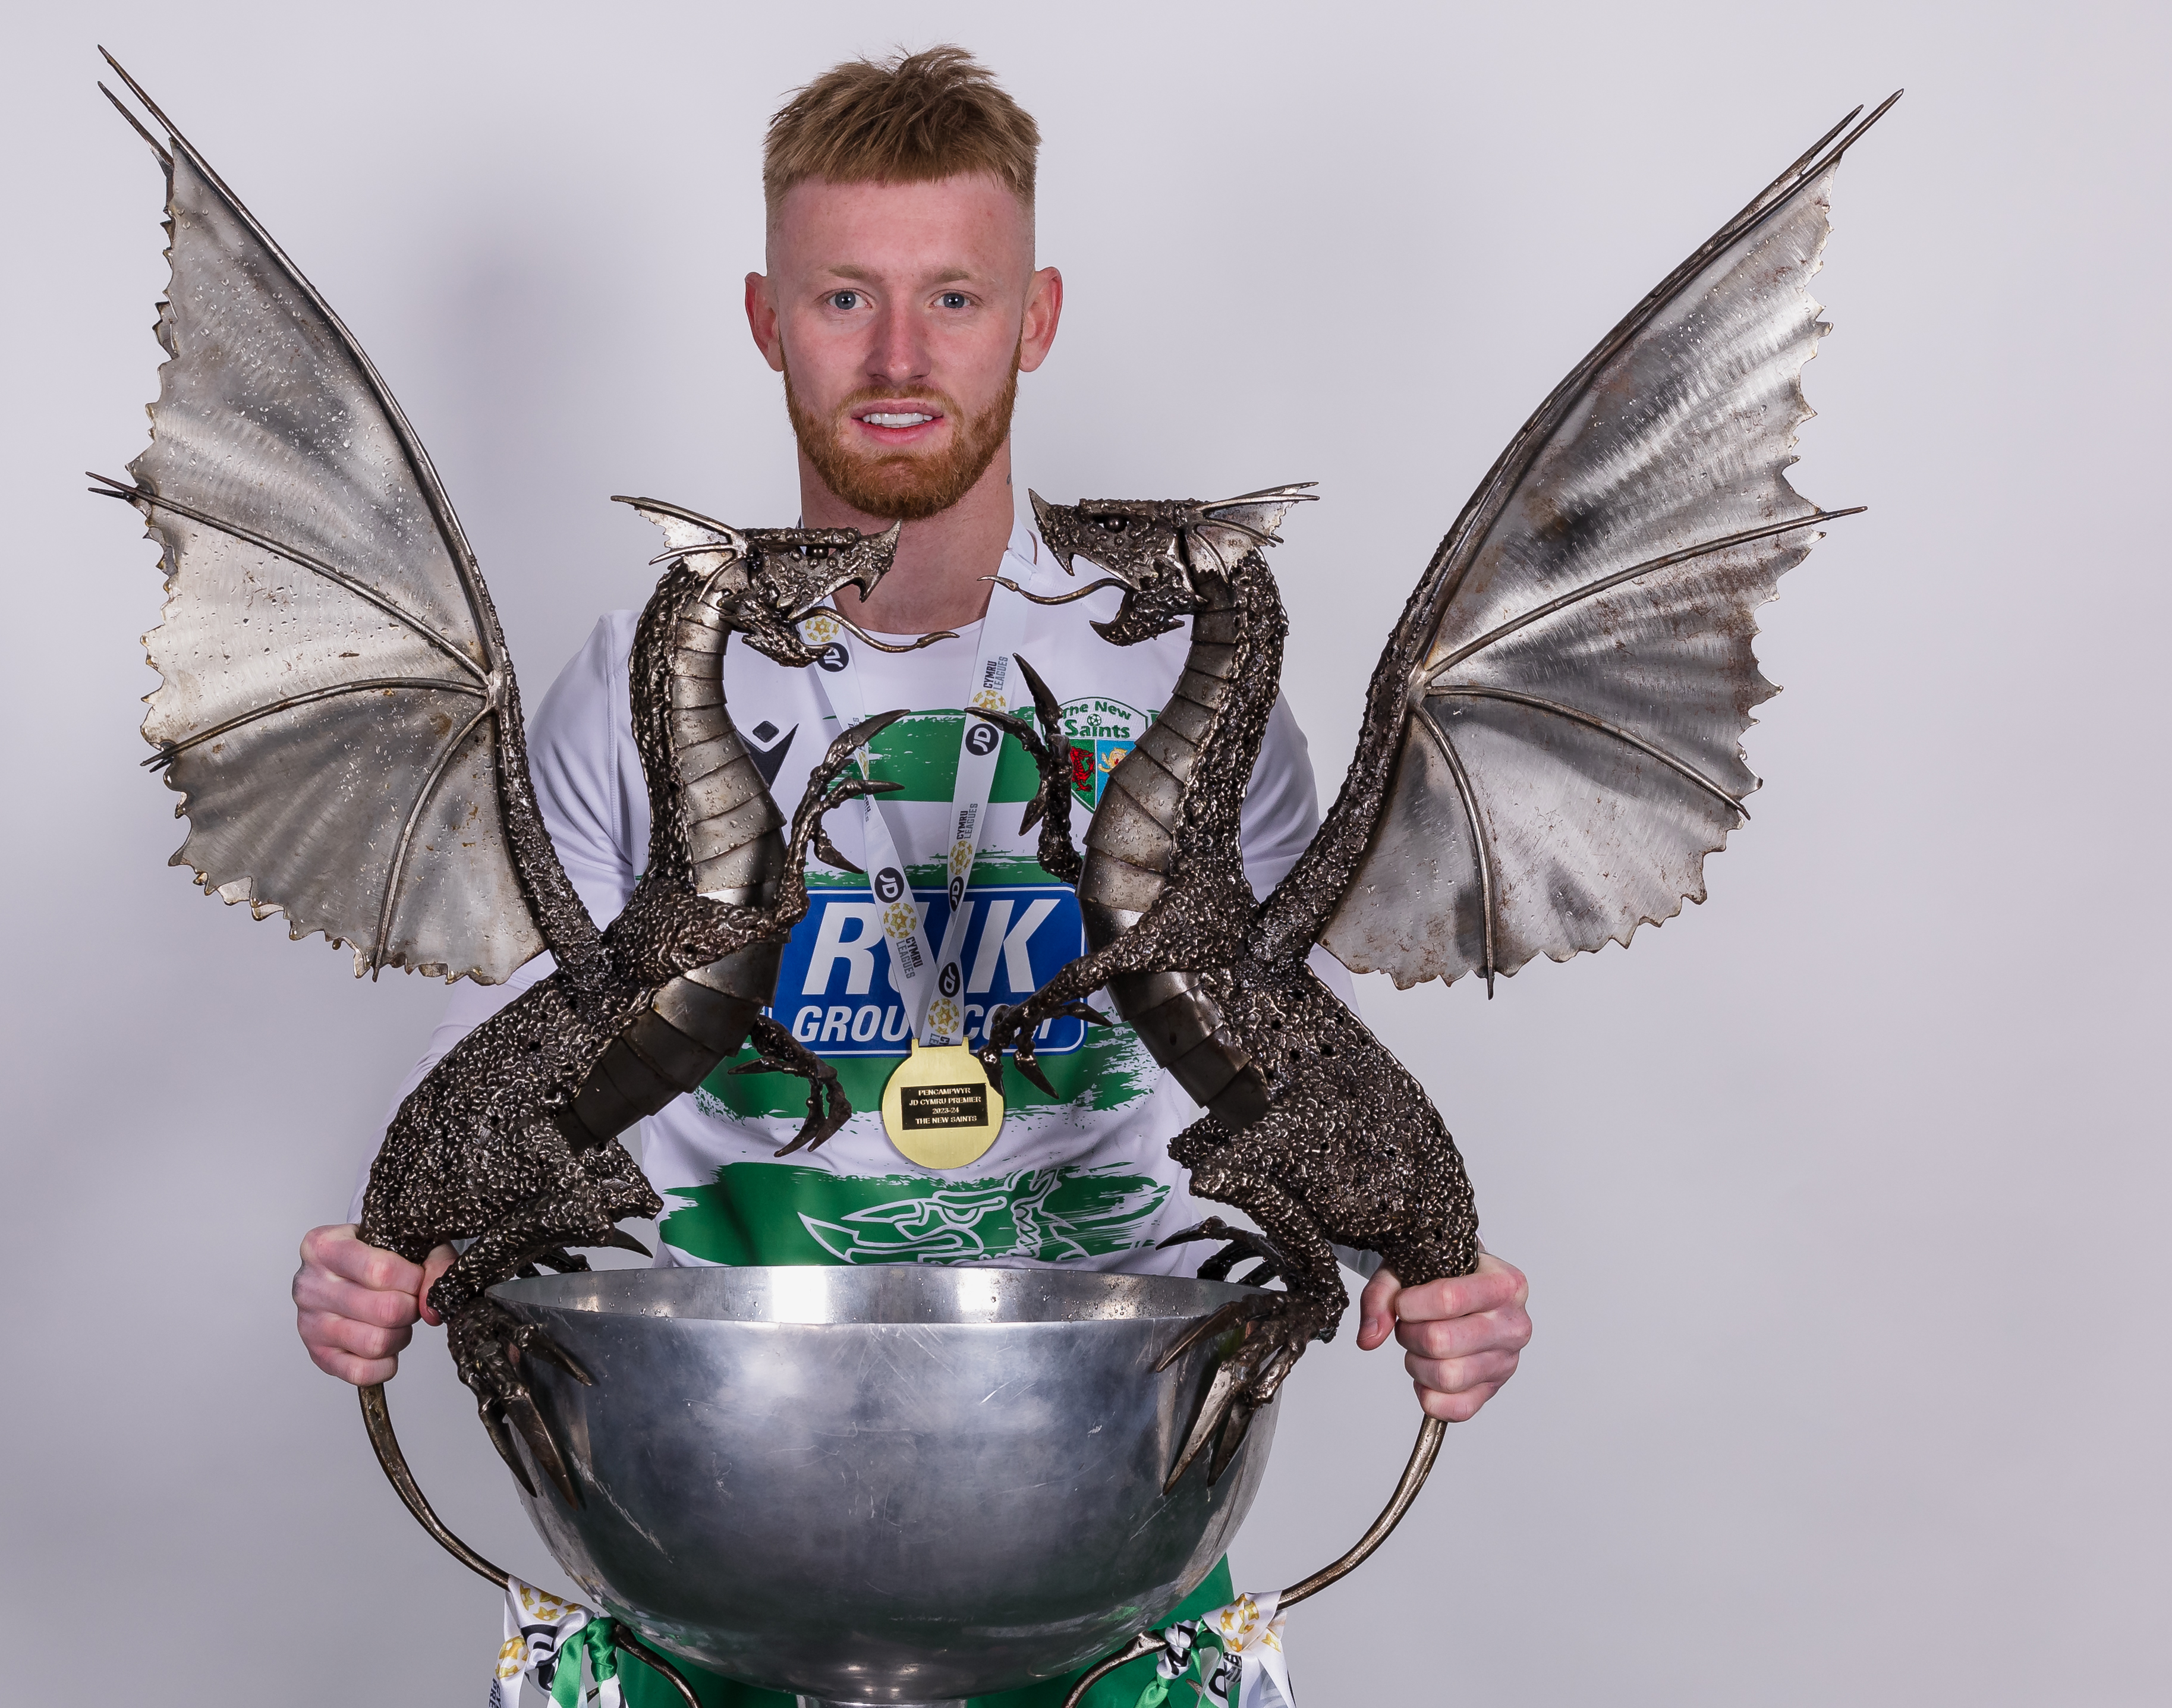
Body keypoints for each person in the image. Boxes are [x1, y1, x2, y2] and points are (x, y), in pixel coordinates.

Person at [294, 46, 1533, 1685]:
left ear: (1036, 318)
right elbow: (526, 1091)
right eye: (841, 299)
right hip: (714, 1525)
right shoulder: (630, 680)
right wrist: (385, 1264)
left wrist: (1437, 1281)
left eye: (954, 298)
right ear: (765, 318)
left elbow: (1287, 1068)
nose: (896, 356)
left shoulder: (1188, 690)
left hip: (1110, 1535)